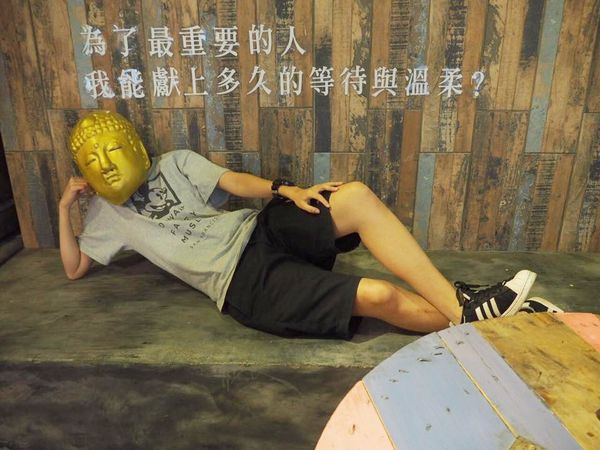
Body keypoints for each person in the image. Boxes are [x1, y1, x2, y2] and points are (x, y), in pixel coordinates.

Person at [59, 111, 556, 340]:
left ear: (136, 147)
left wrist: (285, 189)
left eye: (111, 151)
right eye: (91, 161)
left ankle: (467, 311)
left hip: (259, 230)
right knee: (380, 296)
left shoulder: (175, 162)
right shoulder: (107, 216)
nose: (104, 165)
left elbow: (233, 181)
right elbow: (75, 267)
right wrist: (65, 208)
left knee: (353, 195)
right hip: (244, 283)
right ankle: (498, 322)